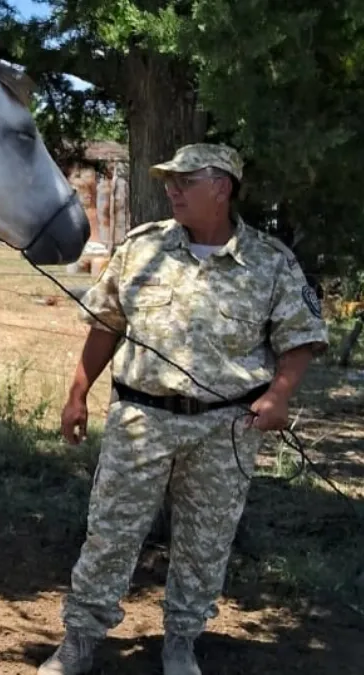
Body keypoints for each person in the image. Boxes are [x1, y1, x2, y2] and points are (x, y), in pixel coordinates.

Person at [38, 143, 329, 675]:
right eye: (169, 180)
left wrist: (280, 395)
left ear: (222, 188)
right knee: (110, 533)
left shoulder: (270, 261)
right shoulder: (141, 248)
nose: (171, 189)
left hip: (226, 429)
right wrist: (78, 393)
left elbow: (301, 337)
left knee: (205, 543)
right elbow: (107, 323)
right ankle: (78, 641)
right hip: (140, 420)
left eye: (185, 181)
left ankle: (180, 643)